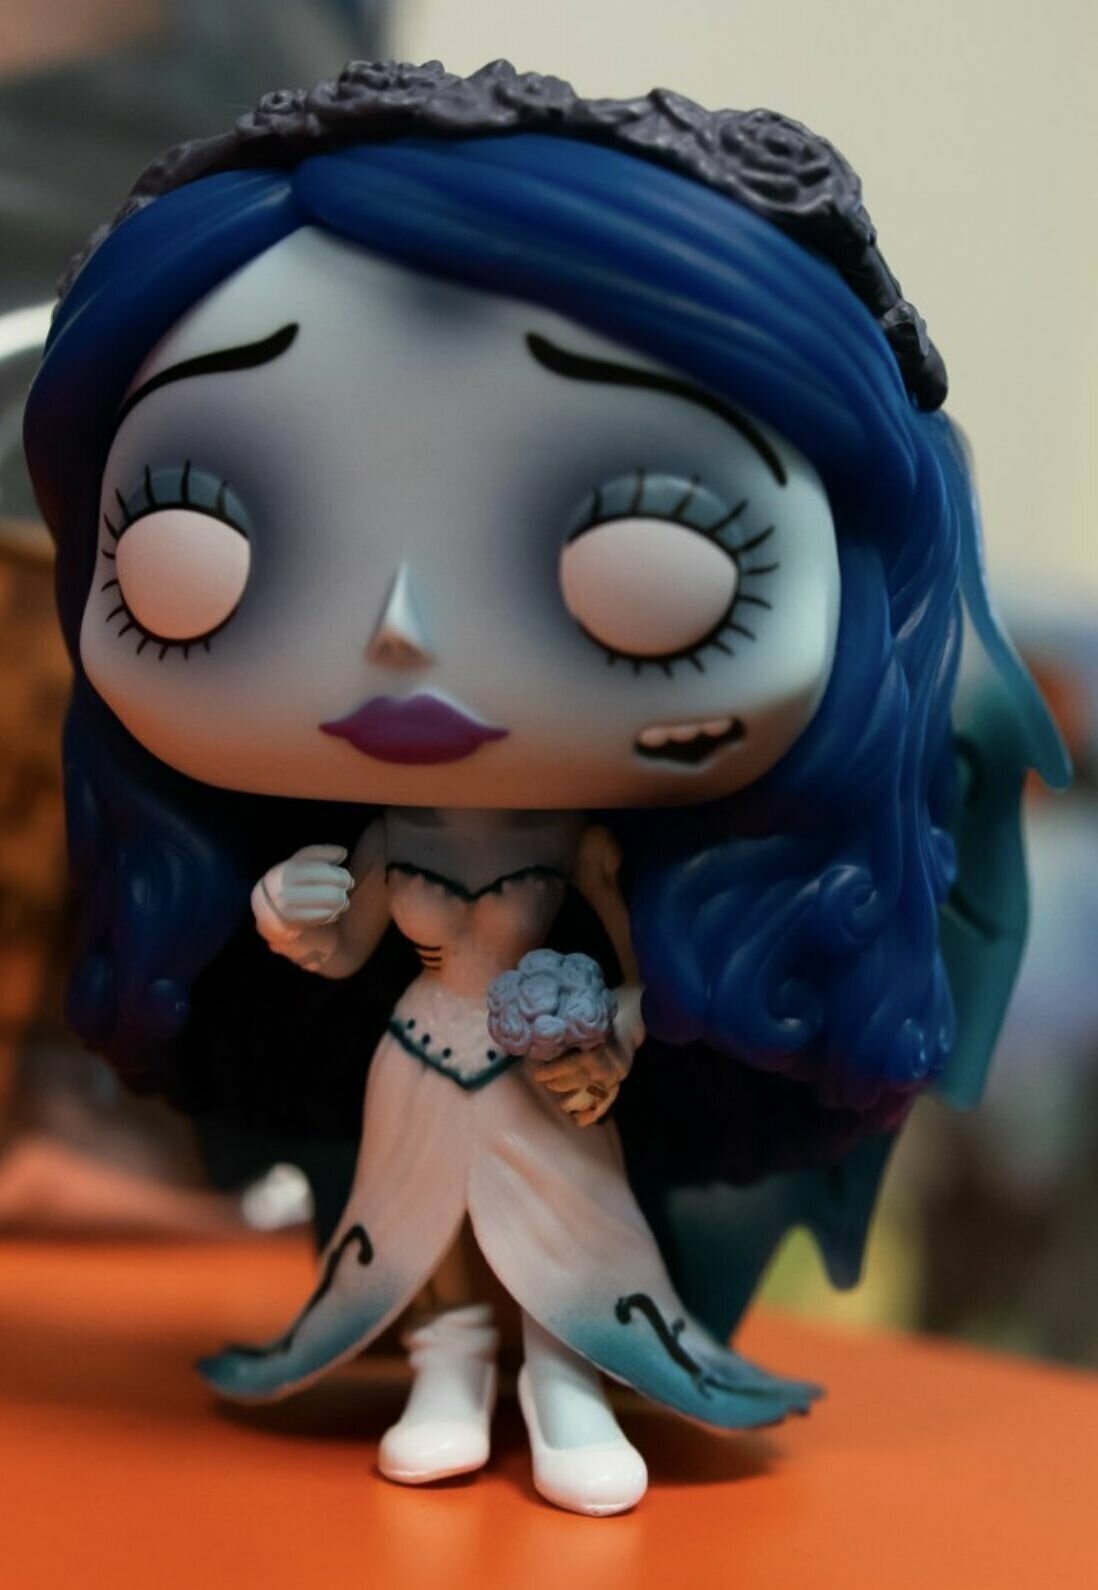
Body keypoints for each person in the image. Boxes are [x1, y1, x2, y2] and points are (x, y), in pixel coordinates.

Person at [23, 60, 1068, 1515]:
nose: (400, 632)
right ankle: (449, 1376)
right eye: (192, 542)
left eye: (646, 549)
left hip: (541, 1065)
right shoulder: (386, 836)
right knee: (419, 1236)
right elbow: (343, 939)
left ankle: (566, 1383)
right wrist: (293, 913)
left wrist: (617, 1026)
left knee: (566, 1233)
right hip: (416, 1048)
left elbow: (630, 950)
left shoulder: (586, 853)